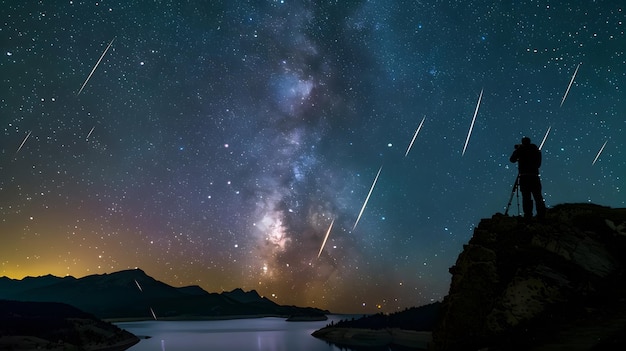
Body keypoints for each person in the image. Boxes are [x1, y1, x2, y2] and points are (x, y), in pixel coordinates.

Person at [509, 136, 546, 219]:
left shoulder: (520, 150)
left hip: (524, 177)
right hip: (534, 176)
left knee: (526, 197)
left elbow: (512, 159)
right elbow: (538, 164)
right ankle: (542, 214)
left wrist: (518, 150)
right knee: (538, 196)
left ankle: (528, 215)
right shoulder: (536, 151)